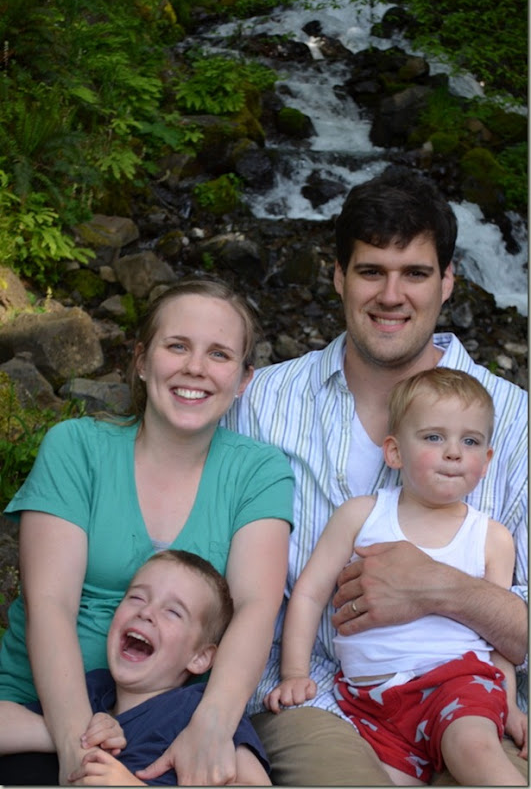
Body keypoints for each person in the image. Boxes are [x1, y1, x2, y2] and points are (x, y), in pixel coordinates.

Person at [223, 166, 528, 786]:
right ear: (338, 276)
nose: (392, 295)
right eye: (371, 271)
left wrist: (441, 588)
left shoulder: (516, 422)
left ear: (447, 281)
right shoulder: (262, 404)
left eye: (414, 273)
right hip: (309, 698)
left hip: (465, 701)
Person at [0, 278, 294, 786]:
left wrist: (210, 727)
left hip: (173, 722)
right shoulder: (77, 448)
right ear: (141, 360)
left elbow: (255, 607)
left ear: (245, 379)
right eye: (177, 346)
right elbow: (50, 602)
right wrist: (77, 746)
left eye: (219, 354)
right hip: (40, 712)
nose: (195, 367)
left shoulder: (259, 472)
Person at [264, 368, 527, 786]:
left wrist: (507, 704)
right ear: (394, 452)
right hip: (370, 701)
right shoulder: (362, 516)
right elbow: (310, 594)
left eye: (470, 441)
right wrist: (294, 673)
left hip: (459, 685)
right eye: (434, 437)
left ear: (487, 461)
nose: (454, 452)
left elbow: (496, 639)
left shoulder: (491, 538)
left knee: (475, 752)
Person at [0, 549, 272, 786]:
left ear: (200, 657)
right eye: (137, 598)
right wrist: (78, 736)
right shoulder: (92, 693)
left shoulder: (196, 711)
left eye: (173, 612)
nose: (146, 612)